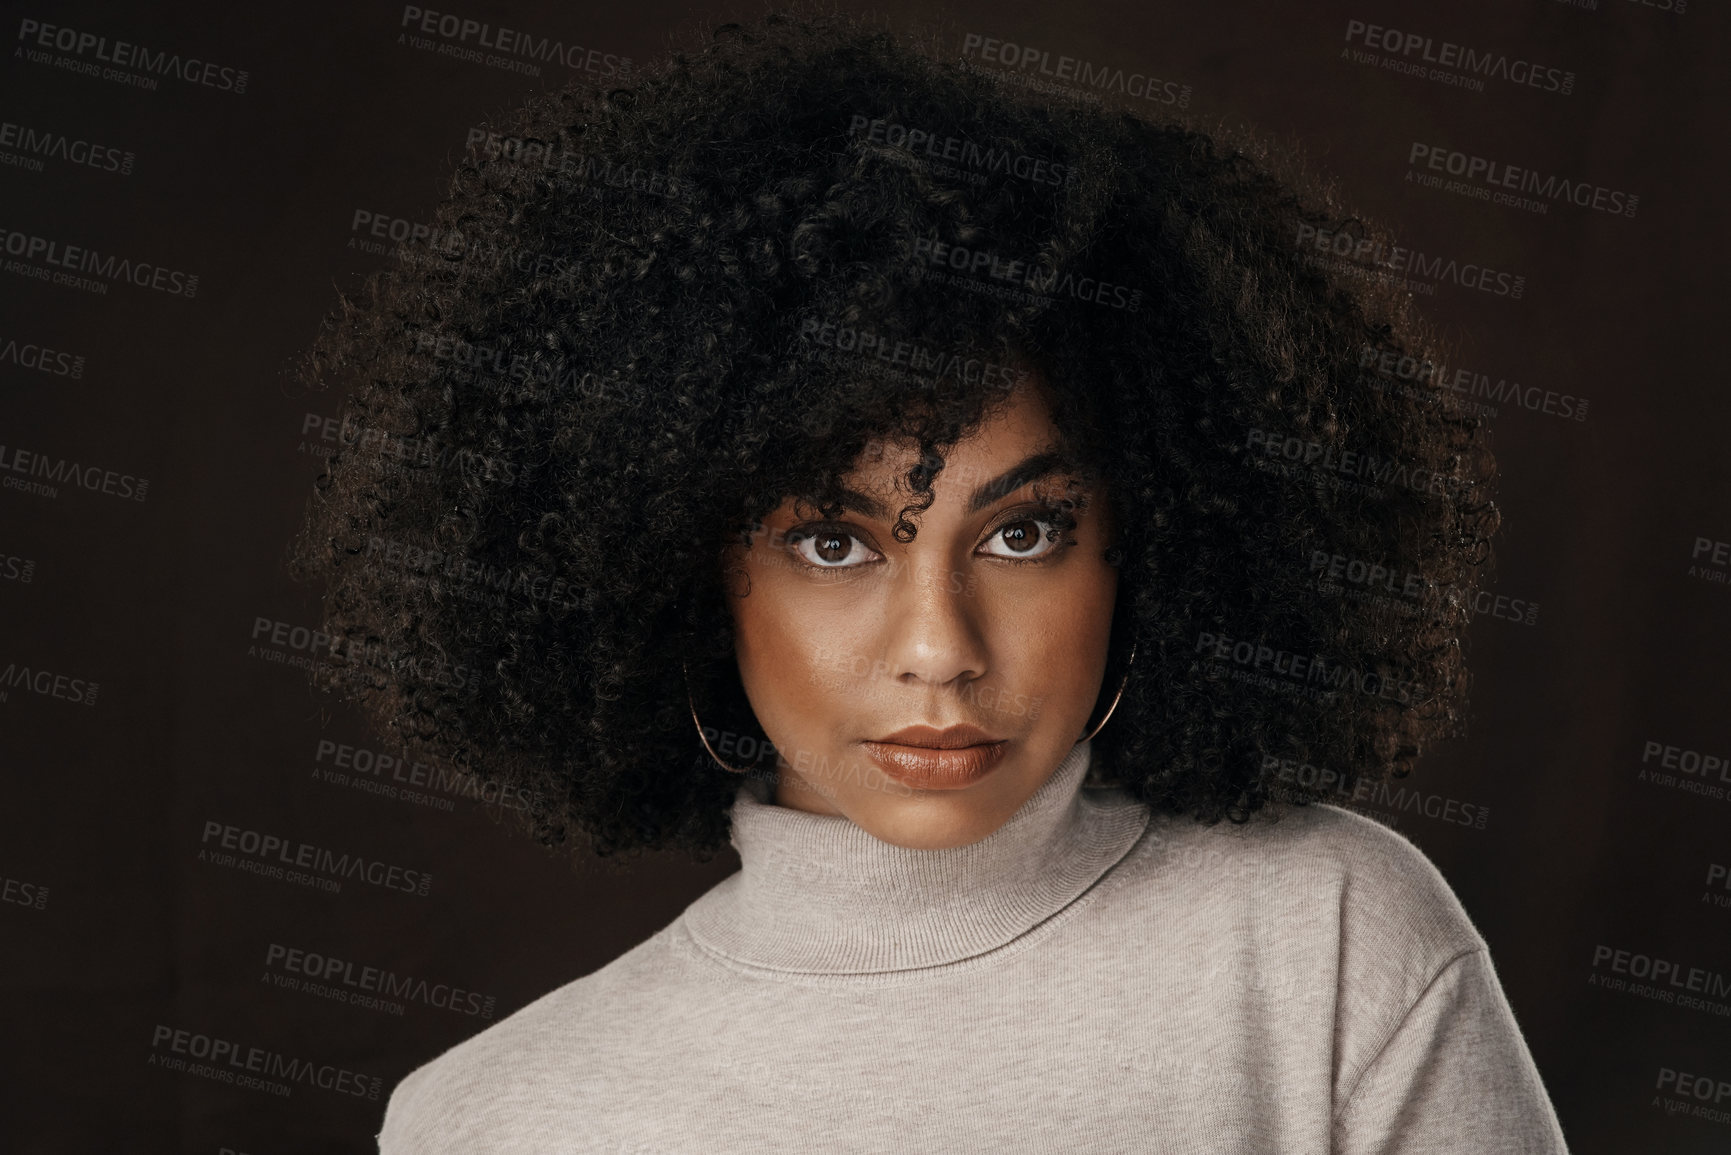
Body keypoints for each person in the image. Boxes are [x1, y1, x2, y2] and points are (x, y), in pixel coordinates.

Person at [290, 8, 1571, 1151]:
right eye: (833, 542)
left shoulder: (1332, 944)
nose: (940, 649)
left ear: (1151, 545)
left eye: (1023, 534)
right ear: (686, 574)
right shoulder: (492, 1119)